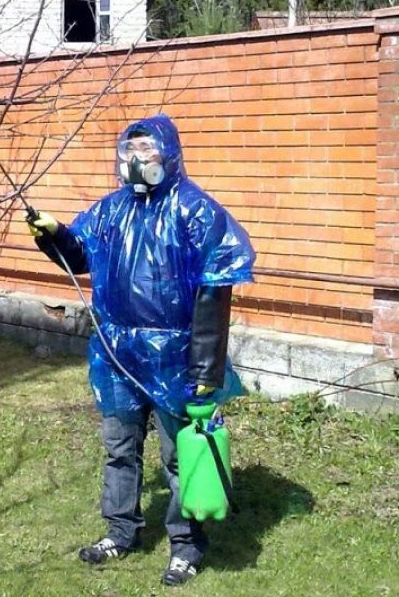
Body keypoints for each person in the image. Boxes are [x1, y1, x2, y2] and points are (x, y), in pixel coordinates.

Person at [27, 114, 255, 586]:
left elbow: (215, 292)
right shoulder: (111, 210)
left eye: (147, 152)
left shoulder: (196, 212)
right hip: (116, 350)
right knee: (119, 448)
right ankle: (120, 530)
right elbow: (80, 259)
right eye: (130, 153)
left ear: (168, 156)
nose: (137, 161)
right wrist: (55, 238)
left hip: (175, 356)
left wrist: (205, 372)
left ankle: (185, 546)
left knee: (179, 457)